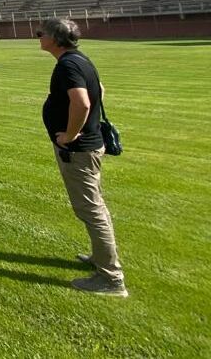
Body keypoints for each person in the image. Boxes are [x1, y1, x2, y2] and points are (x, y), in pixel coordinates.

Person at [38, 17, 127, 296]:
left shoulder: (67, 64)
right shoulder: (80, 59)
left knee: (91, 210)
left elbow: (83, 101)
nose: (38, 37)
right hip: (89, 145)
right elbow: (100, 90)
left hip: (79, 150)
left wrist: (71, 134)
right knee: (93, 206)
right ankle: (100, 256)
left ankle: (111, 278)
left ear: (54, 38)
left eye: (41, 33)